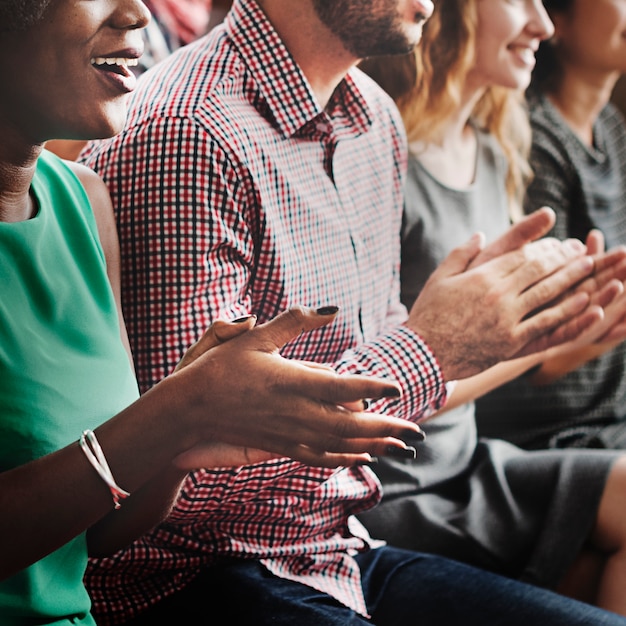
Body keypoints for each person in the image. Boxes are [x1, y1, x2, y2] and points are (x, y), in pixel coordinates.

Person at [77, 0, 626, 624]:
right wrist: (432, 344)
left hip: (334, 549)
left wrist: (502, 329)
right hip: (188, 575)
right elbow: (179, 480)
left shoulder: (373, 116)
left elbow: (380, 357)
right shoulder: (187, 132)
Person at [0, 0, 440, 624]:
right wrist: (177, 411)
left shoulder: (81, 202)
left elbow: (99, 534)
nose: (137, 15)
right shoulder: (187, 127)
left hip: (330, 548)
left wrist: (181, 434)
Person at [356, 0, 626, 615]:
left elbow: (521, 353)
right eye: (518, 1)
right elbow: (399, 383)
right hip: (397, 487)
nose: (544, 24)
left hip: (469, 462)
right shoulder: (384, 159)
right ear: (451, 14)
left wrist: (583, 323)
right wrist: (548, 338)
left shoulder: (496, 148)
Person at [475, 0, 626, 451]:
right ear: (558, 21)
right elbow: (541, 350)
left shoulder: (610, 127)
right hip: (559, 428)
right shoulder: (531, 140)